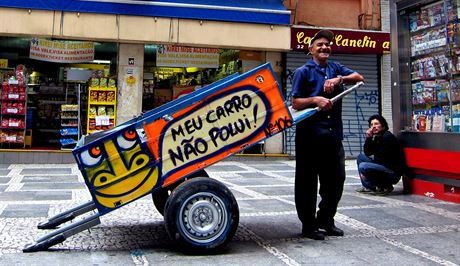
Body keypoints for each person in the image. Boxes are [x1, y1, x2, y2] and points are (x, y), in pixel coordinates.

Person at [291, 29, 364, 240]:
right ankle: (309, 225)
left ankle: (326, 219)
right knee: (307, 183)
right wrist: (316, 100)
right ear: (311, 49)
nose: (324, 47)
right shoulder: (302, 72)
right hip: (309, 137)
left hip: (333, 136)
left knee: (336, 180)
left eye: (327, 44)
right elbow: (295, 102)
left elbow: (359, 77)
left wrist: (338, 79)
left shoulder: (335, 68)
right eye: (320, 44)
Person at [356, 114, 405, 195]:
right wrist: (369, 138)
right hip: (383, 166)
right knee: (360, 158)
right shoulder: (378, 137)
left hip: (392, 172)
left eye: (376, 124)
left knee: (363, 166)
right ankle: (369, 187)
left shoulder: (387, 137)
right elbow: (368, 153)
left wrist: (370, 167)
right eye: (371, 124)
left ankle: (385, 186)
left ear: (383, 126)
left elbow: (383, 159)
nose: (373, 127)